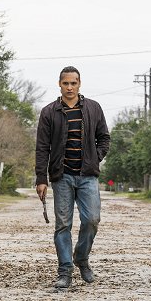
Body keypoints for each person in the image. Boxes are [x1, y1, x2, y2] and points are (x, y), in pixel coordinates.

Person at [35, 66, 110, 288]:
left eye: (73, 83)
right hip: (62, 176)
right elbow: (42, 148)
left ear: (79, 84)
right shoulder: (49, 112)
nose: (70, 87)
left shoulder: (93, 108)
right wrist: (41, 179)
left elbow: (104, 138)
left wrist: (94, 157)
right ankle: (65, 271)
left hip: (87, 176)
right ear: (59, 84)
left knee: (91, 220)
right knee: (63, 225)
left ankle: (81, 258)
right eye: (66, 83)